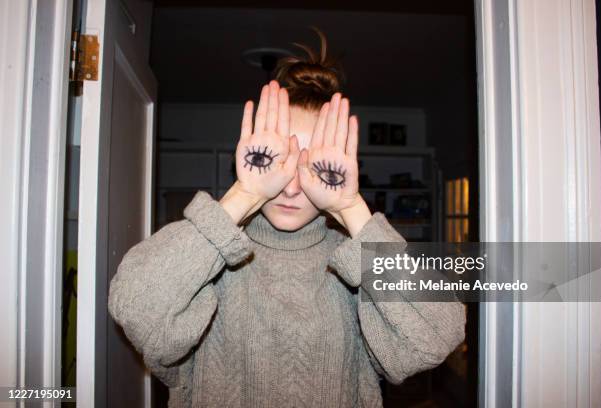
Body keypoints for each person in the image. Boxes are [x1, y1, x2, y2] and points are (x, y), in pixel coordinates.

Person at [108, 29, 466, 408]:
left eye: (313, 165)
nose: (292, 188)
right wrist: (243, 196)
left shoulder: (358, 263)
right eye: (276, 162)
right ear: (249, 159)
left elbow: (435, 335)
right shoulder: (201, 256)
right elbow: (134, 308)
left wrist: (350, 207)